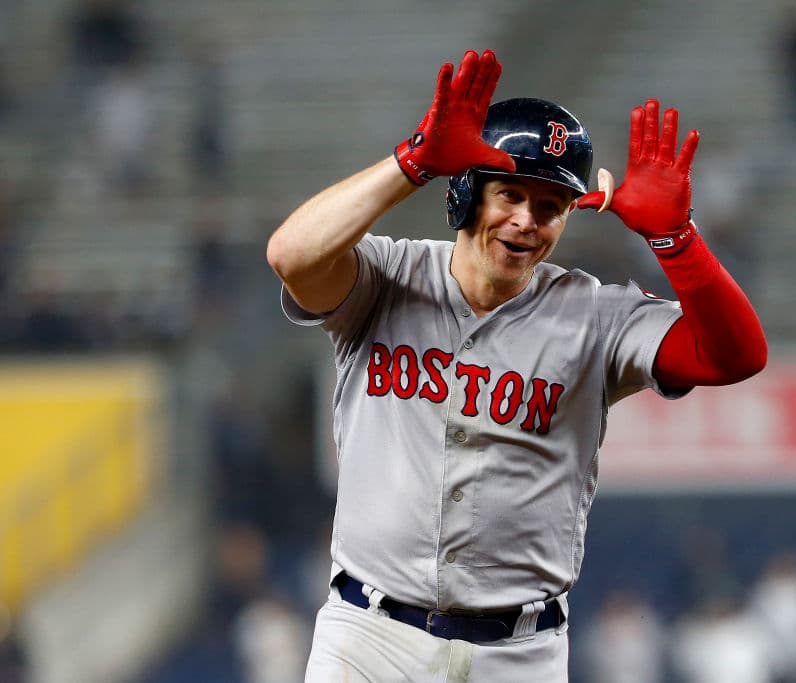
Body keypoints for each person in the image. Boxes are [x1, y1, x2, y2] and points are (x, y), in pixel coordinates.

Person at [266, 49, 767, 682]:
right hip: (370, 638)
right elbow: (291, 256)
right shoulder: (386, 277)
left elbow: (736, 356)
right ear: (467, 194)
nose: (526, 220)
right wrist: (412, 161)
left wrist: (677, 240)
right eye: (510, 194)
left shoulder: (596, 315)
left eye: (551, 206)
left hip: (518, 653)